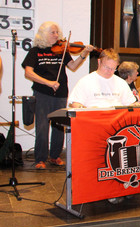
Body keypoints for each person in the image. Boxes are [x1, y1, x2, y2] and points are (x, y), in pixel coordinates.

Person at [22, 21, 93, 169]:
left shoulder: (62, 51)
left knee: (59, 126)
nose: (56, 35)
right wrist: (47, 82)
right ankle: (40, 159)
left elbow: (73, 66)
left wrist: (84, 54)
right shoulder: (36, 51)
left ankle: (55, 156)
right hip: (42, 93)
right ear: (43, 34)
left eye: (57, 33)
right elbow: (28, 72)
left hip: (60, 93)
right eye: (53, 32)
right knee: (42, 126)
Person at [68, 49, 137, 108]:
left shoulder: (121, 83)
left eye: (113, 68)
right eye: (106, 67)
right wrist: (86, 109)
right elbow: (75, 103)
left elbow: (130, 104)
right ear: (99, 62)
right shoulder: (86, 81)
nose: (109, 71)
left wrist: (136, 106)